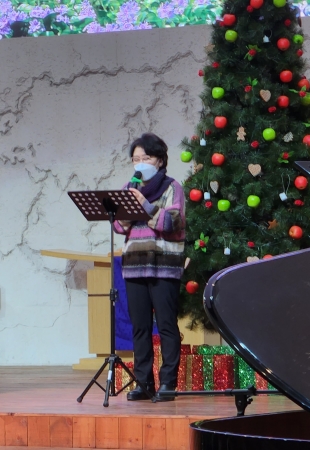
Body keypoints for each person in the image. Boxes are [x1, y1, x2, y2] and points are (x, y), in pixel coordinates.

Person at [113, 133, 185, 402]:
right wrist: (127, 211)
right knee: (140, 327)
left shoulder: (172, 187)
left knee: (166, 326)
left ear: (160, 160)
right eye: (136, 159)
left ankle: (168, 382)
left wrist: (144, 206)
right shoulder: (128, 188)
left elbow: (172, 222)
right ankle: (143, 383)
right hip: (134, 266)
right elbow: (118, 226)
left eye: (146, 158)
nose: (140, 163)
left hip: (164, 266)